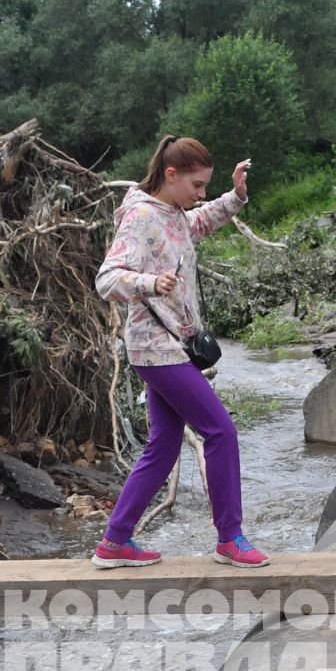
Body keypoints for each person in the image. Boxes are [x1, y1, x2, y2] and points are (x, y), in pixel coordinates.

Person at [91, 135, 269, 569]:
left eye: (206, 185)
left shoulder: (172, 212)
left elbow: (201, 221)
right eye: (197, 184)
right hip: (156, 347)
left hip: (168, 346)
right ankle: (230, 539)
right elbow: (107, 278)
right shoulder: (140, 217)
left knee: (163, 447)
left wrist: (235, 197)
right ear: (171, 176)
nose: (201, 194)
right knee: (221, 431)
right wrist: (149, 283)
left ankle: (115, 542)